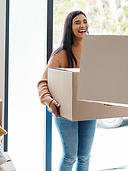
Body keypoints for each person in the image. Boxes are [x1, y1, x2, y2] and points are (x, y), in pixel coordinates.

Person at [37, 10, 96, 171]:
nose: (83, 25)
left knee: (84, 157)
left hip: (88, 110)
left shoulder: (95, 51)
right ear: (69, 27)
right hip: (65, 111)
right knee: (70, 156)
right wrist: (49, 101)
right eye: (77, 22)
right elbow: (43, 83)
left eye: (85, 21)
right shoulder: (60, 54)